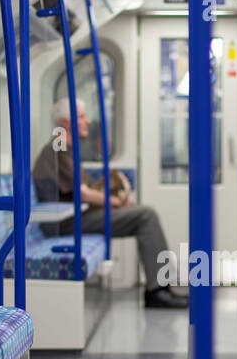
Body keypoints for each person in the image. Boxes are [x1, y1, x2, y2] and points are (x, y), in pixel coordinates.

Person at [33, 98, 187, 308]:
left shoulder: (67, 150)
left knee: (142, 214)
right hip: (65, 223)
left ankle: (160, 287)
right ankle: (158, 291)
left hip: (76, 216)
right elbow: (83, 194)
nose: (87, 121)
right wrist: (114, 202)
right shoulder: (58, 148)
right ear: (65, 123)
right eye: (81, 117)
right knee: (146, 216)